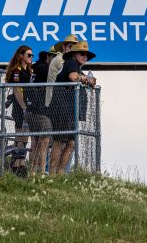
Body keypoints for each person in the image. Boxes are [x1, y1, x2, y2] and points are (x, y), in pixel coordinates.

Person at [50, 41, 96, 175]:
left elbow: (81, 77)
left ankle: (60, 173)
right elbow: (73, 77)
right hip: (63, 110)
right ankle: (53, 173)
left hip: (70, 111)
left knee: (70, 143)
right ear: (74, 54)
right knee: (60, 141)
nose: (84, 56)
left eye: (86, 55)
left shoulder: (77, 67)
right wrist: (86, 79)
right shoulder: (70, 63)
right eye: (82, 53)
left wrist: (88, 79)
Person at [4, 45, 34, 175]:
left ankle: (21, 162)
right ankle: (16, 163)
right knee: (20, 135)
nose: (31, 58)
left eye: (32, 55)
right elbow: (16, 89)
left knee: (25, 136)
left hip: (29, 105)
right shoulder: (17, 70)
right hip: (20, 106)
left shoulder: (30, 70)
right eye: (29, 55)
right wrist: (23, 107)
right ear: (21, 55)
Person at [26, 50, 53, 174]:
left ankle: (32, 172)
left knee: (35, 142)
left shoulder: (33, 68)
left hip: (30, 109)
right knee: (44, 142)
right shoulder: (45, 68)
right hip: (41, 109)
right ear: (48, 56)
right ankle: (42, 172)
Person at [46, 34, 79, 109]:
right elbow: (73, 75)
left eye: (75, 48)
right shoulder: (60, 59)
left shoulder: (67, 60)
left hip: (59, 100)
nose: (73, 50)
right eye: (70, 47)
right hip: (55, 102)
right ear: (63, 47)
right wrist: (84, 78)